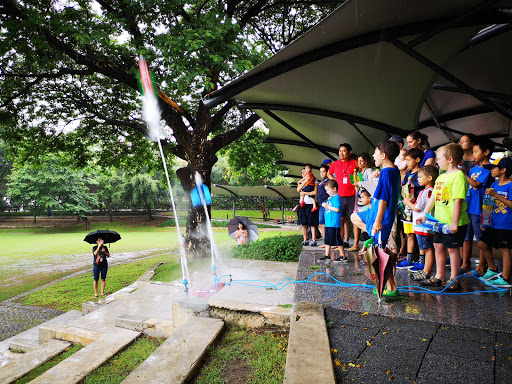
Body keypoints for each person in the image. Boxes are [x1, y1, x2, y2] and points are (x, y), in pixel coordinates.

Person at [351, 141, 401, 297]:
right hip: (376, 213)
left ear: (383, 155)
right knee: (354, 217)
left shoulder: (387, 173)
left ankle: (390, 287)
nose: (373, 156)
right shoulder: (391, 171)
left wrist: (378, 221)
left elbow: (384, 199)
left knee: (380, 252)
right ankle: (387, 285)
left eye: (375, 152)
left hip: (382, 216)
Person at [418, 143, 469, 290]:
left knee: (452, 250)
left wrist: (454, 223)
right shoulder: (440, 177)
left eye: (439, 159)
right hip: (439, 222)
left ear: (450, 159)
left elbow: (458, 201)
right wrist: (425, 214)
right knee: (438, 246)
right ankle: (439, 276)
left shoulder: (459, 176)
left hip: (454, 222)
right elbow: (433, 197)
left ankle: (454, 279)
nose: (437, 162)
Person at [477, 157, 512, 287]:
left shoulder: (510, 185)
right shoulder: (493, 185)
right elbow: (488, 205)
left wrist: (496, 195)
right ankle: (492, 269)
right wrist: (484, 221)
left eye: (493, 168)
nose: (491, 170)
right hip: (493, 223)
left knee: (504, 249)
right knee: (482, 244)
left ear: (503, 170)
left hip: (506, 224)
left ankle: (506, 278)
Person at [461, 138, 494, 274]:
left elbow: (476, 184)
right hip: (469, 206)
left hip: (481, 208)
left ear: (486, 152)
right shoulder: (474, 168)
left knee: (482, 238)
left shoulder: (490, 169)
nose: (473, 154)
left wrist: (462, 174)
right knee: (466, 236)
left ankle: (482, 266)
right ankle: (465, 263)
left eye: (476, 151)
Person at [405, 165, 439, 281]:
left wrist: (406, 202)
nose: (418, 179)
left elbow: (417, 209)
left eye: (420, 177)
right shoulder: (431, 191)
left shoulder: (425, 192)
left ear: (430, 178)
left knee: (428, 249)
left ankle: (426, 271)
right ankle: (426, 270)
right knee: (428, 248)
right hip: (426, 226)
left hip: (423, 226)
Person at [397, 148, 424, 269]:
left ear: (417, 160)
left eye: (408, 160)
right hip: (407, 209)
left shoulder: (422, 173)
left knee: (420, 235)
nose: (406, 163)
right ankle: (409, 259)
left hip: (417, 209)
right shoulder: (408, 173)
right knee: (409, 234)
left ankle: (422, 261)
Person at [328, 143, 358, 252]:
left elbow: (360, 174)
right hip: (339, 196)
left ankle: (355, 244)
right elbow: (328, 174)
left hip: (352, 196)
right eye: (340, 151)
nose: (341, 153)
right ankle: (339, 243)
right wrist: (335, 181)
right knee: (340, 220)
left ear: (349, 152)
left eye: (344, 151)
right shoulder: (335, 164)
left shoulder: (355, 163)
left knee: (354, 219)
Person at [348, 153, 374, 252]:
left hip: (367, 200)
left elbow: (370, 185)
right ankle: (365, 245)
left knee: (366, 221)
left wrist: (360, 184)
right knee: (360, 222)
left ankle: (368, 245)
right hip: (361, 199)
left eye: (362, 161)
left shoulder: (369, 171)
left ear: (366, 161)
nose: (359, 163)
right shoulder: (361, 172)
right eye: (358, 161)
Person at [318, 180, 345, 263]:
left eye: (328, 190)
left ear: (334, 189)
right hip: (329, 223)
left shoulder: (336, 198)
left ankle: (343, 255)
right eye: (326, 190)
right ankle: (327, 254)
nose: (327, 192)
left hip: (334, 223)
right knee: (327, 240)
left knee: (337, 240)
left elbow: (337, 209)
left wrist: (327, 206)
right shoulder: (331, 198)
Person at [297, 168, 319, 246]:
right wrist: (305, 181)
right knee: (303, 223)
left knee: (312, 223)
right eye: (302, 172)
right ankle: (305, 239)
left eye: (305, 171)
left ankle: (313, 239)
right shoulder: (301, 181)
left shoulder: (314, 180)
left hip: (311, 204)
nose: (303, 173)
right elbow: (299, 190)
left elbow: (315, 192)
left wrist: (305, 192)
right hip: (303, 204)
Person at [317, 164, 330, 239]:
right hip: (322, 204)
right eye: (320, 172)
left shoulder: (329, 181)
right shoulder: (322, 181)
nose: (322, 173)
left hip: (327, 203)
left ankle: (329, 242)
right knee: (321, 224)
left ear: (327, 172)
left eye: (323, 172)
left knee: (327, 224)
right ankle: (326, 242)